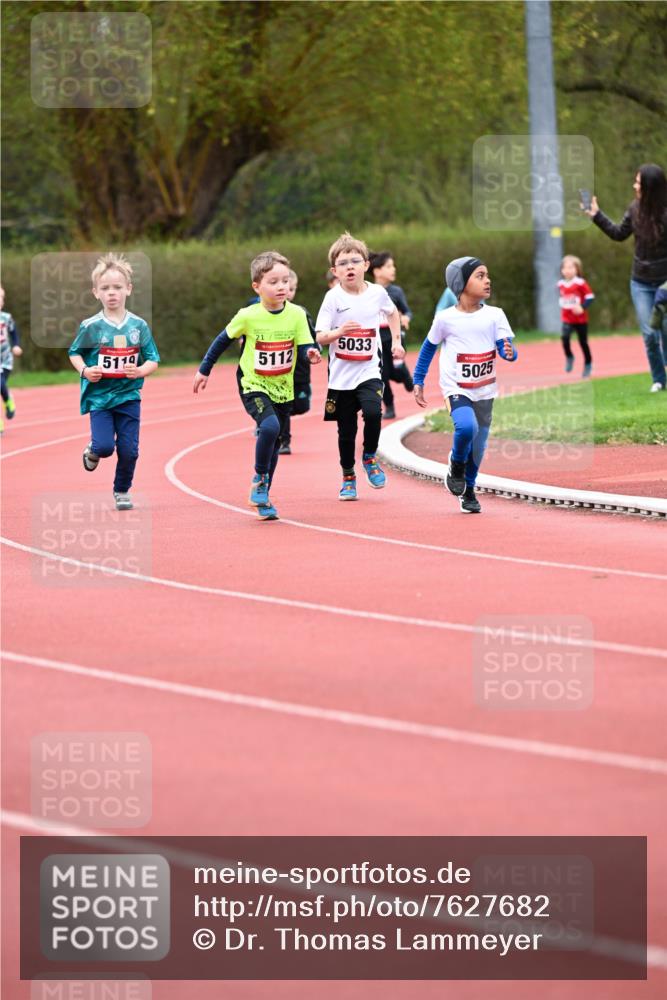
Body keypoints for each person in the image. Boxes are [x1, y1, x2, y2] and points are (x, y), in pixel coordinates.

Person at [193, 251, 321, 521]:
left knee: (274, 443)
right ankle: (259, 479)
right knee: (271, 427)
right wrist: (205, 369)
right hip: (253, 383)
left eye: (285, 281)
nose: (282, 287)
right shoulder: (248, 316)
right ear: (257, 287)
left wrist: (311, 353)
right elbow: (221, 340)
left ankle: (262, 497)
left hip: (283, 386)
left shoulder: (297, 314)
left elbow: (306, 343)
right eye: (274, 282)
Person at [412, 256, 518, 514]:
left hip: (485, 390)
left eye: (487, 275)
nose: (487, 280)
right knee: (466, 427)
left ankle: (468, 489)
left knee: (479, 446)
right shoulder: (445, 319)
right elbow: (428, 348)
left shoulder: (495, 315)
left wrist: (508, 351)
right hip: (456, 388)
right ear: (461, 284)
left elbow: (508, 349)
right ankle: (456, 465)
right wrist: (418, 379)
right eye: (480, 276)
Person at [315, 232, 404, 500]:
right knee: (346, 431)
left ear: (366, 265)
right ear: (334, 271)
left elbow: (392, 313)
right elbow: (320, 335)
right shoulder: (333, 298)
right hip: (341, 377)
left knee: (374, 412)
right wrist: (339, 332)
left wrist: (396, 342)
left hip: (369, 369)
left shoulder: (377, 293)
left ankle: (369, 456)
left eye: (355, 261)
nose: (349, 267)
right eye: (343, 263)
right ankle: (348, 476)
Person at [68, 254, 159, 510]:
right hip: (100, 398)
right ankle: (93, 450)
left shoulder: (138, 326)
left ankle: (121, 490)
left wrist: (140, 371)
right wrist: (85, 371)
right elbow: (74, 353)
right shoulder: (91, 326)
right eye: (105, 288)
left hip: (129, 397)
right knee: (105, 447)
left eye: (117, 287)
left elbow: (153, 359)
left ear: (128, 289)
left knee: (130, 451)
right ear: (96, 292)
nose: (112, 293)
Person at [584, 163, 667, 391]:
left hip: (665, 283)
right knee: (650, 333)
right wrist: (596, 216)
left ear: (650, 187)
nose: (634, 185)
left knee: (665, 328)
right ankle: (659, 380)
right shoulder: (634, 209)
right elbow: (619, 234)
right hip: (640, 282)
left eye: (638, 182)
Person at [368, 251, 414, 419]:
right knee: (382, 375)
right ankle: (390, 407)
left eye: (393, 266)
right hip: (378, 340)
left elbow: (408, 310)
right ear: (377, 271)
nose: (393, 269)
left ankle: (407, 377)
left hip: (395, 338)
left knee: (397, 369)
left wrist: (406, 317)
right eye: (388, 266)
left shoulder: (396, 291)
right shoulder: (369, 291)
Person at [277, 268, 318, 455]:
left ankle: (276, 417)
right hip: (279, 371)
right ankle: (284, 441)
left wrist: (315, 349)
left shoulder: (301, 313)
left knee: (302, 407)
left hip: (300, 370)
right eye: (286, 287)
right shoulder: (265, 314)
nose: (288, 292)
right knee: (282, 407)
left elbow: (312, 335)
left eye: (292, 288)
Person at [558, 254, 595, 377]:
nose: (568, 270)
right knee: (564, 338)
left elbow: (590, 297)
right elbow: (564, 298)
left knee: (583, 342)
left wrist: (582, 307)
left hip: (580, 320)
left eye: (571, 268)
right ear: (562, 270)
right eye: (565, 268)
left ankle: (588, 363)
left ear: (577, 269)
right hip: (567, 318)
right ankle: (569, 356)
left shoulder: (580, 283)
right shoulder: (560, 284)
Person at [0, 285, 22, 434]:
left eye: (2, 298)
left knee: (0, 383)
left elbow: (14, 332)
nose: (0, 301)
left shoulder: (6, 318)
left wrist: (16, 345)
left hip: (5, 359)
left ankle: (8, 400)